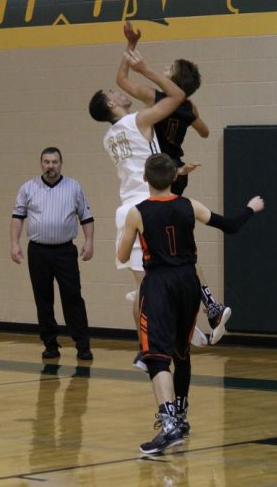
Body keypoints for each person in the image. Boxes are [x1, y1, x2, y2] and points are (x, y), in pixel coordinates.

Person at [118, 152, 265, 454]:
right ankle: (181, 418)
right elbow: (231, 226)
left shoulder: (137, 212)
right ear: (174, 178)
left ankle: (169, 423)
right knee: (181, 353)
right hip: (189, 282)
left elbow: (121, 256)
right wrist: (250, 208)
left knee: (156, 357)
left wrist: (132, 236)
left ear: (145, 178)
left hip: (158, 283)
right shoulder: (189, 205)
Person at [88, 36, 204, 366]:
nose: (117, 92)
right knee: (169, 269)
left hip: (129, 207)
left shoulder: (110, 137)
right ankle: (191, 318)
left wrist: (129, 46)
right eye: (112, 94)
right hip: (147, 207)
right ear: (110, 105)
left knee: (146, 283)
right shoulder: (138, 121)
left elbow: (144, 162)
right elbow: (178, 97)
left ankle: (150, 344)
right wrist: (147, 69)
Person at [118, 21, 231, 346]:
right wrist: (191, 117)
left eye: (169, 68)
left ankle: (180, 306)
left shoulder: (157, 98)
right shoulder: (188, 106)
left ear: (172, 79)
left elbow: (122, 81)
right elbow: (206, 132)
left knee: (171, 253)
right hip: (175, 173)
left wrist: (132, 51)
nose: (163, 69)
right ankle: (206, 305)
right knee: (178, 248)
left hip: (162, 177)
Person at [10, 147, 94, 361]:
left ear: (61, 163)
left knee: (73, 297)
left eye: (54, 162)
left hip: (65, 250)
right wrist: (14, 243)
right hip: (38, 251)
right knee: (43, 298)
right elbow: (18, 217)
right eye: (46, 162)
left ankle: (82, 345)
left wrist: (89, 242)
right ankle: (50, 344)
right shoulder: (28, 188)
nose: (50, 166)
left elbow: (86, 217)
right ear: (41, 164)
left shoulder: (74, 187)